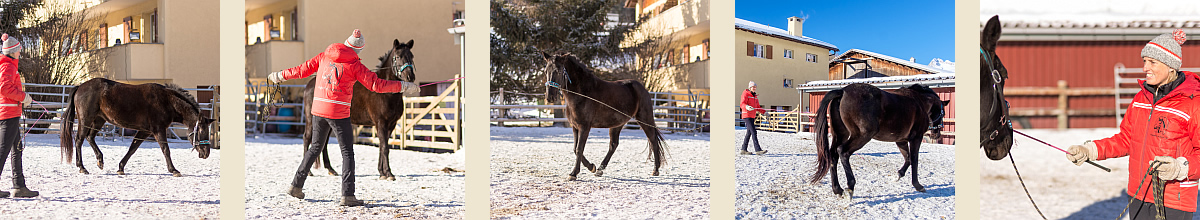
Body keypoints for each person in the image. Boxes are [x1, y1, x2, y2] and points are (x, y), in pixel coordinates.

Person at [270, 29, 419, 206]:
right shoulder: (355, 65)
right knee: (347, 152)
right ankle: (347, 195)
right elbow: (376, 84)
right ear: (358, 49)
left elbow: (302, 70)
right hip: (338, 112)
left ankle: (296, 185)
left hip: (318, 110)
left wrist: (279, 75)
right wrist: (402, 86)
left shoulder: (324, 56)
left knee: (315, 147)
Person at [1066, 29, 1198, 219]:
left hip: (1174, 200)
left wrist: (1180, 168)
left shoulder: (1193, 103)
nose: (1145, 68)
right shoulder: (1140, 99)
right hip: (1138, 195)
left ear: (1170, 66)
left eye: (1152, 62)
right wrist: (1090, 150)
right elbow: (1126, 139)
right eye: (1144, 61)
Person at [0, 33, 37, 198]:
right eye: (19, 50)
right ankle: (18, 185)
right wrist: (23, 97)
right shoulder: (7, 66)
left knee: (17, 149)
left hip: (11, 112)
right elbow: (4, 89)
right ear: (12, 51)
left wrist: (22, 99)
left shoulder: (9, 65)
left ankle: (19, 186)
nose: (20, 53)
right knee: (3, 151)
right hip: (8, 114)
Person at [740, 81, 767, 155]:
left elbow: (757, 107)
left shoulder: (755, 96)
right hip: (747, 115)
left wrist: (764, 112)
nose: (754, 88)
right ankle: (758, 150)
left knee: (749, 133)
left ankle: (743, 149)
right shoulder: (745, 94)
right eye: (753, 87)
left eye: (755, 87)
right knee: (754, 132)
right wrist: (747, 107)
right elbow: (742, 104)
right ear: (750, 87)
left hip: (752, 116)